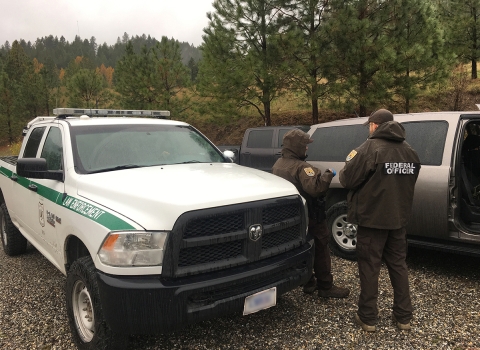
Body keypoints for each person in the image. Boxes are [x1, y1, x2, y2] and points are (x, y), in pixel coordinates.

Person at [338, 109, 420, 332]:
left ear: (375, 125)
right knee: (398, 266)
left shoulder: (368, 149)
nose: (369, 129)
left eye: (369, 125)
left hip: (372, 221)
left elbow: (346, 179)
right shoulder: (410, 151)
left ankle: (368, 317)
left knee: (369, 267)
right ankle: (403, 317)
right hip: (398, 220)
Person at [272, 129, 350, 298]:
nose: (307, 148)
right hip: (312, 215)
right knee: (321, 247)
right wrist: (329, 174)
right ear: (297, 147)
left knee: (302, 248)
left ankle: (308, 282)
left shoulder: (278, 164)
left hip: (293, 217)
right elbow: (315, 189)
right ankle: (325, 286)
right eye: (305, 145)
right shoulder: (302, 167)